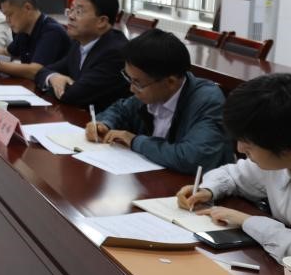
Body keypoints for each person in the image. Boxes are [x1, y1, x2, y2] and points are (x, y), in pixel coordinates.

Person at [177, 74, 291, 267]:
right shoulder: (286, 153)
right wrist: (208, 190)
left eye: (249, 145)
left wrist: (248, 221)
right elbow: (232, 175)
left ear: (290, 150)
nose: (240, 149)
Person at [87, 29, 234, 173]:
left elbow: (193, 158)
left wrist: (135, 141)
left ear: (170, 82)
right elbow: (121, 110)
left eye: (137, 83)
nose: (132, 89)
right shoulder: (152, 91)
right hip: (154, 176)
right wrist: (105, 123)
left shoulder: (208, 101)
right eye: (129, 78)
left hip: (196, 185)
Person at [35, 0, 129, 111]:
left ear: (102, 21)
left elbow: (73, 95)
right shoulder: (79, 43)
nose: (71, 16)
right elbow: (42, 72)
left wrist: (54, 82)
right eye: (71, 10)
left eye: (78, 12)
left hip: (102, 121)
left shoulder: (115, 53)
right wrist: (53, 77)